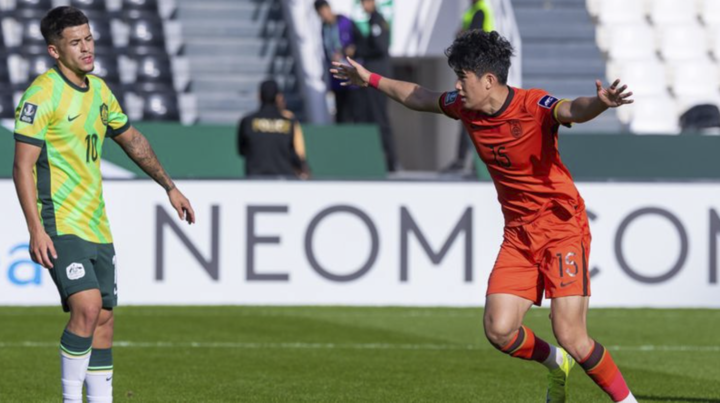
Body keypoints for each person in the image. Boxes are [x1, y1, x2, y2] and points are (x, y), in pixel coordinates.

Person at [332, 30, 637, 403]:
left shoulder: (533, 105)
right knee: (499, 329)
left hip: (561, 227)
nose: (457, 86)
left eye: (463, 78)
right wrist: (370, 79)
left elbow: (572, 109)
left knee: (571, 335)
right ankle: (555, 363)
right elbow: (419, 96)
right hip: (519, 234)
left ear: (489, 80)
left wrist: (601, 104)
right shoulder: (466, 106)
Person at [12, 7, 195, 403]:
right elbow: (22, 167)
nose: (86, 48)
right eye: (75, 42)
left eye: (89, 38)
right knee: (88, 306)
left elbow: (133, 141)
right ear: (54, 51)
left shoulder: (99, 90)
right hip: (60, 222)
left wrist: (169, 186)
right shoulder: (41, 95)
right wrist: (35, 229)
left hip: (96, 223)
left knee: (105, 320)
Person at [444, 0, 495, 173]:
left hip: (478, 72)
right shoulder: (473, 10)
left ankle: (474, 163)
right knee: (467, 115)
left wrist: (461, 35)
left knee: (474, 116)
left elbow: (473, 39)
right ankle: (465, 161)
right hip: (474, 70)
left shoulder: (480, 10)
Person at [356, 0, 399, 172]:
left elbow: (380, 47)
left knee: (380, 119)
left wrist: (359, 51)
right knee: (372, 118)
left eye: (365, 2)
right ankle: (380, 160)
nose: (363, 6)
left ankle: (391, 162)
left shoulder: (377, 21)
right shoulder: (373, 20)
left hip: (378, 77)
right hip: (375, 77)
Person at [238, 79, 309, 179]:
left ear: (259, 96)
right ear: (278, 97)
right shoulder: (288, 122)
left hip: (255, 179)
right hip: (283, 180)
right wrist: (303, 167)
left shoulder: (247, 121)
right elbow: (293, 153)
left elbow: (242, 151)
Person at [314, 0, 365, 123]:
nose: (324, 15)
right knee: (341, 115)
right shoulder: (324, 28)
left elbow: (362, 43)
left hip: (353, 77)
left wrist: (352, 50)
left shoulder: (346, 22)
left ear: (329, 8)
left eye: (324, 11)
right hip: (337, 79)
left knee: (358, 113)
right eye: (320, 13)